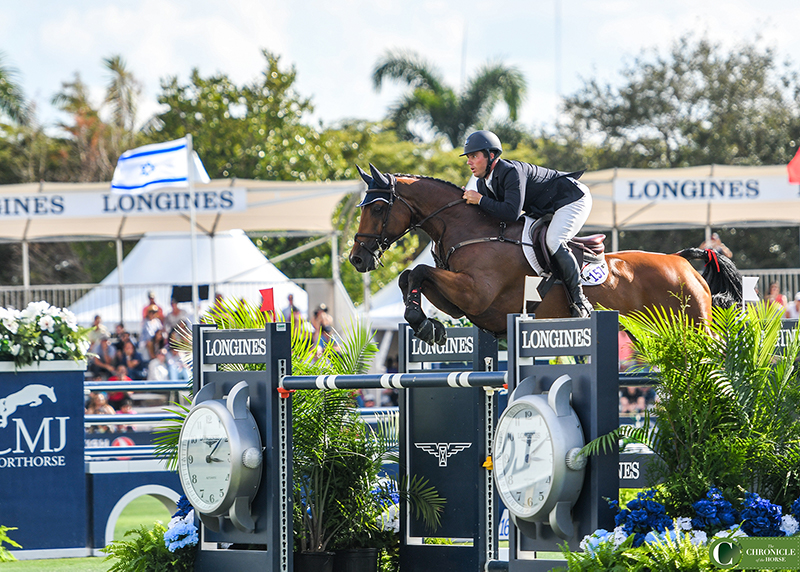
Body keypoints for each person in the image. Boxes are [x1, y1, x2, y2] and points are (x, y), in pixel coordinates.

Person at [460, 130, 593, 318]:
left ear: (491, 155)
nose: (469, 162)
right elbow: (494, 217)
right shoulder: (483, 183)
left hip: (571, 199)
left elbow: (511, 212)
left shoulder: (510, 171)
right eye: (468, 157)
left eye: (474, 156)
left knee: (554, 240)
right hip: (544, 208)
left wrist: (480, 200)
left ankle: (580, 302)